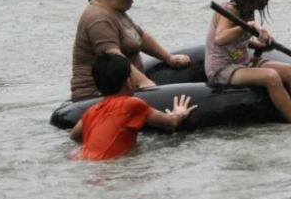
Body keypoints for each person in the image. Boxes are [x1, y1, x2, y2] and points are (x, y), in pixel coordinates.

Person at [205, 0, 291, 124]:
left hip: (244, 62)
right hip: (223, 69)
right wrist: (248, 27)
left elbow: (238, 42)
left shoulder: (248, 11)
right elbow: (220, 38)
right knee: (271, 76)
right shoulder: (229, 11)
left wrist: (259, 46)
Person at [71, 0, 191, 102]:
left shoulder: (116, 11)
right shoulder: (98, 18)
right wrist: (145, 84)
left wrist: (169, 58)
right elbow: (115, 58)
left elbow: (140, 36)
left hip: (126, 88)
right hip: (95, 96)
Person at [69, 54, 197, 161]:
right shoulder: (132, 104)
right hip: (110, 168)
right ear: (129, 82)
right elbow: (171, 123)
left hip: (85, 162)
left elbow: (74, 136)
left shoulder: (91, 111)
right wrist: (179, 113)